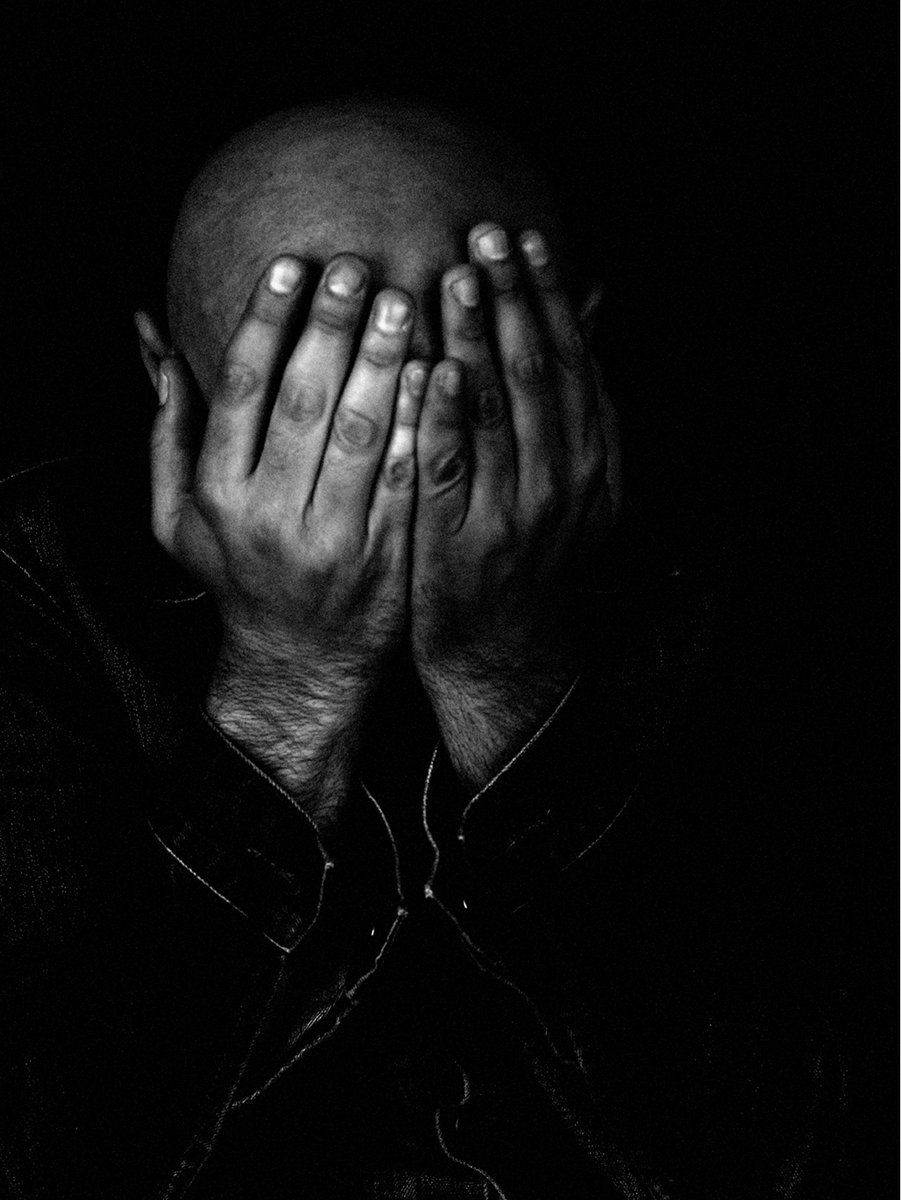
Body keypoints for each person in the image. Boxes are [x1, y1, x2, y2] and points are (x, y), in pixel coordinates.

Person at [0, 96, 843, 1198]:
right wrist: (285, 683)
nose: (387, 435)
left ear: (572, 356)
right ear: (173, 376)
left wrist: (506, 675)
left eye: (464, 356)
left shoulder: (755, 577)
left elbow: (775, 1155)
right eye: (311, 363)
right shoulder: (36, 580)